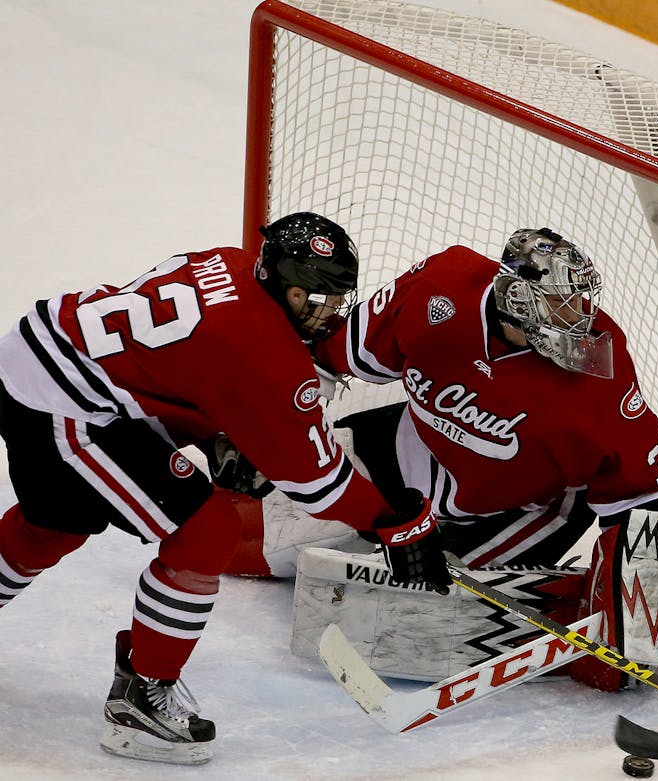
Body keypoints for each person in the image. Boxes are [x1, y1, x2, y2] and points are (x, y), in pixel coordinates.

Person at [0, 213, 451, 765]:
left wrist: (220, 431)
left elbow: (174, 356)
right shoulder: (265, 358)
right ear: (283, 282)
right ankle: (143, 700)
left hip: (47, 354)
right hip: (64, 403)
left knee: (52, 527)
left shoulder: (231, 262)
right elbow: (317, 486)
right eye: (318, 294)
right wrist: (394, 521)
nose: (331, 310)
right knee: (206, 529)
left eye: (339, 296)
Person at [303, 227, 658, 689]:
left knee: (392, 616)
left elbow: (649, 493)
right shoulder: (440, 288)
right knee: (259, 533)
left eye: (583, 299)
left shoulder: (602, 371)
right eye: (562, 301)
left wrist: (645, 627)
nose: (581, 317)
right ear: (518, 299)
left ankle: (570, 605)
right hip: (410, 451)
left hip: (519, 507)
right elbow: (326, 359)